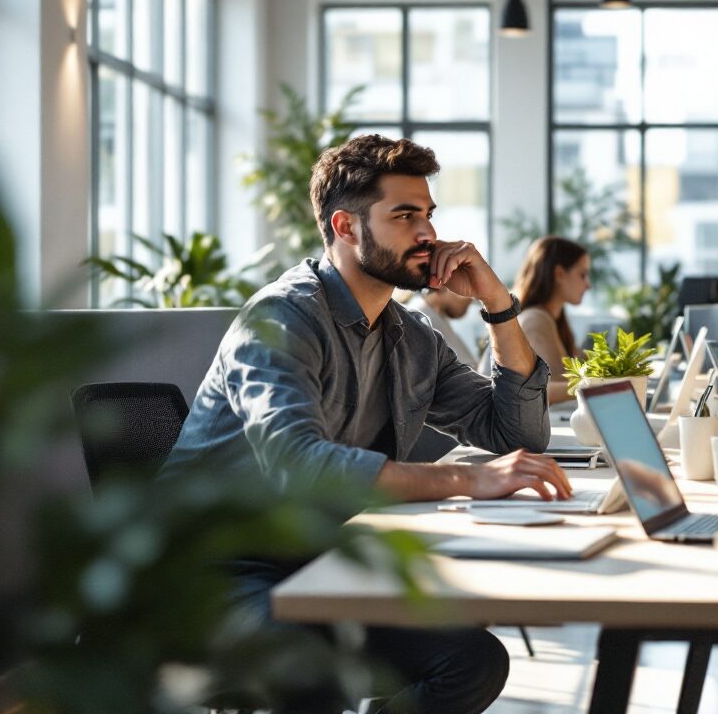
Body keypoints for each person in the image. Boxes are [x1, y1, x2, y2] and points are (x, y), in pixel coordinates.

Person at [160, 134, 572, 713]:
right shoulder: (281, 319)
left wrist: (499, 305)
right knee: (312, 673)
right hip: (211, 573)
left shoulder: (410, 337)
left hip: (313, 561)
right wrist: (468, 479)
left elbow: (516, 435)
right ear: (346, 227)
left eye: (428, 214)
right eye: (404, 216)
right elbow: (299, 466)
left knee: (473, 661)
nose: (428, 233)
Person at [511, 236, 591, 405]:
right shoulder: (536, 319)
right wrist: (602, 383)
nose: (588, 284)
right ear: (559, 274)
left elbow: (581, 364)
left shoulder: (553, 319)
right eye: (582, 275)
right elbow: (542, 390)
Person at [401, 287, 479, 367]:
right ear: (443, 286)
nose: (471, 299)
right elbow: (469, 368)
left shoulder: (431, 314)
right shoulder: (424, 320)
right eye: (466, 292)